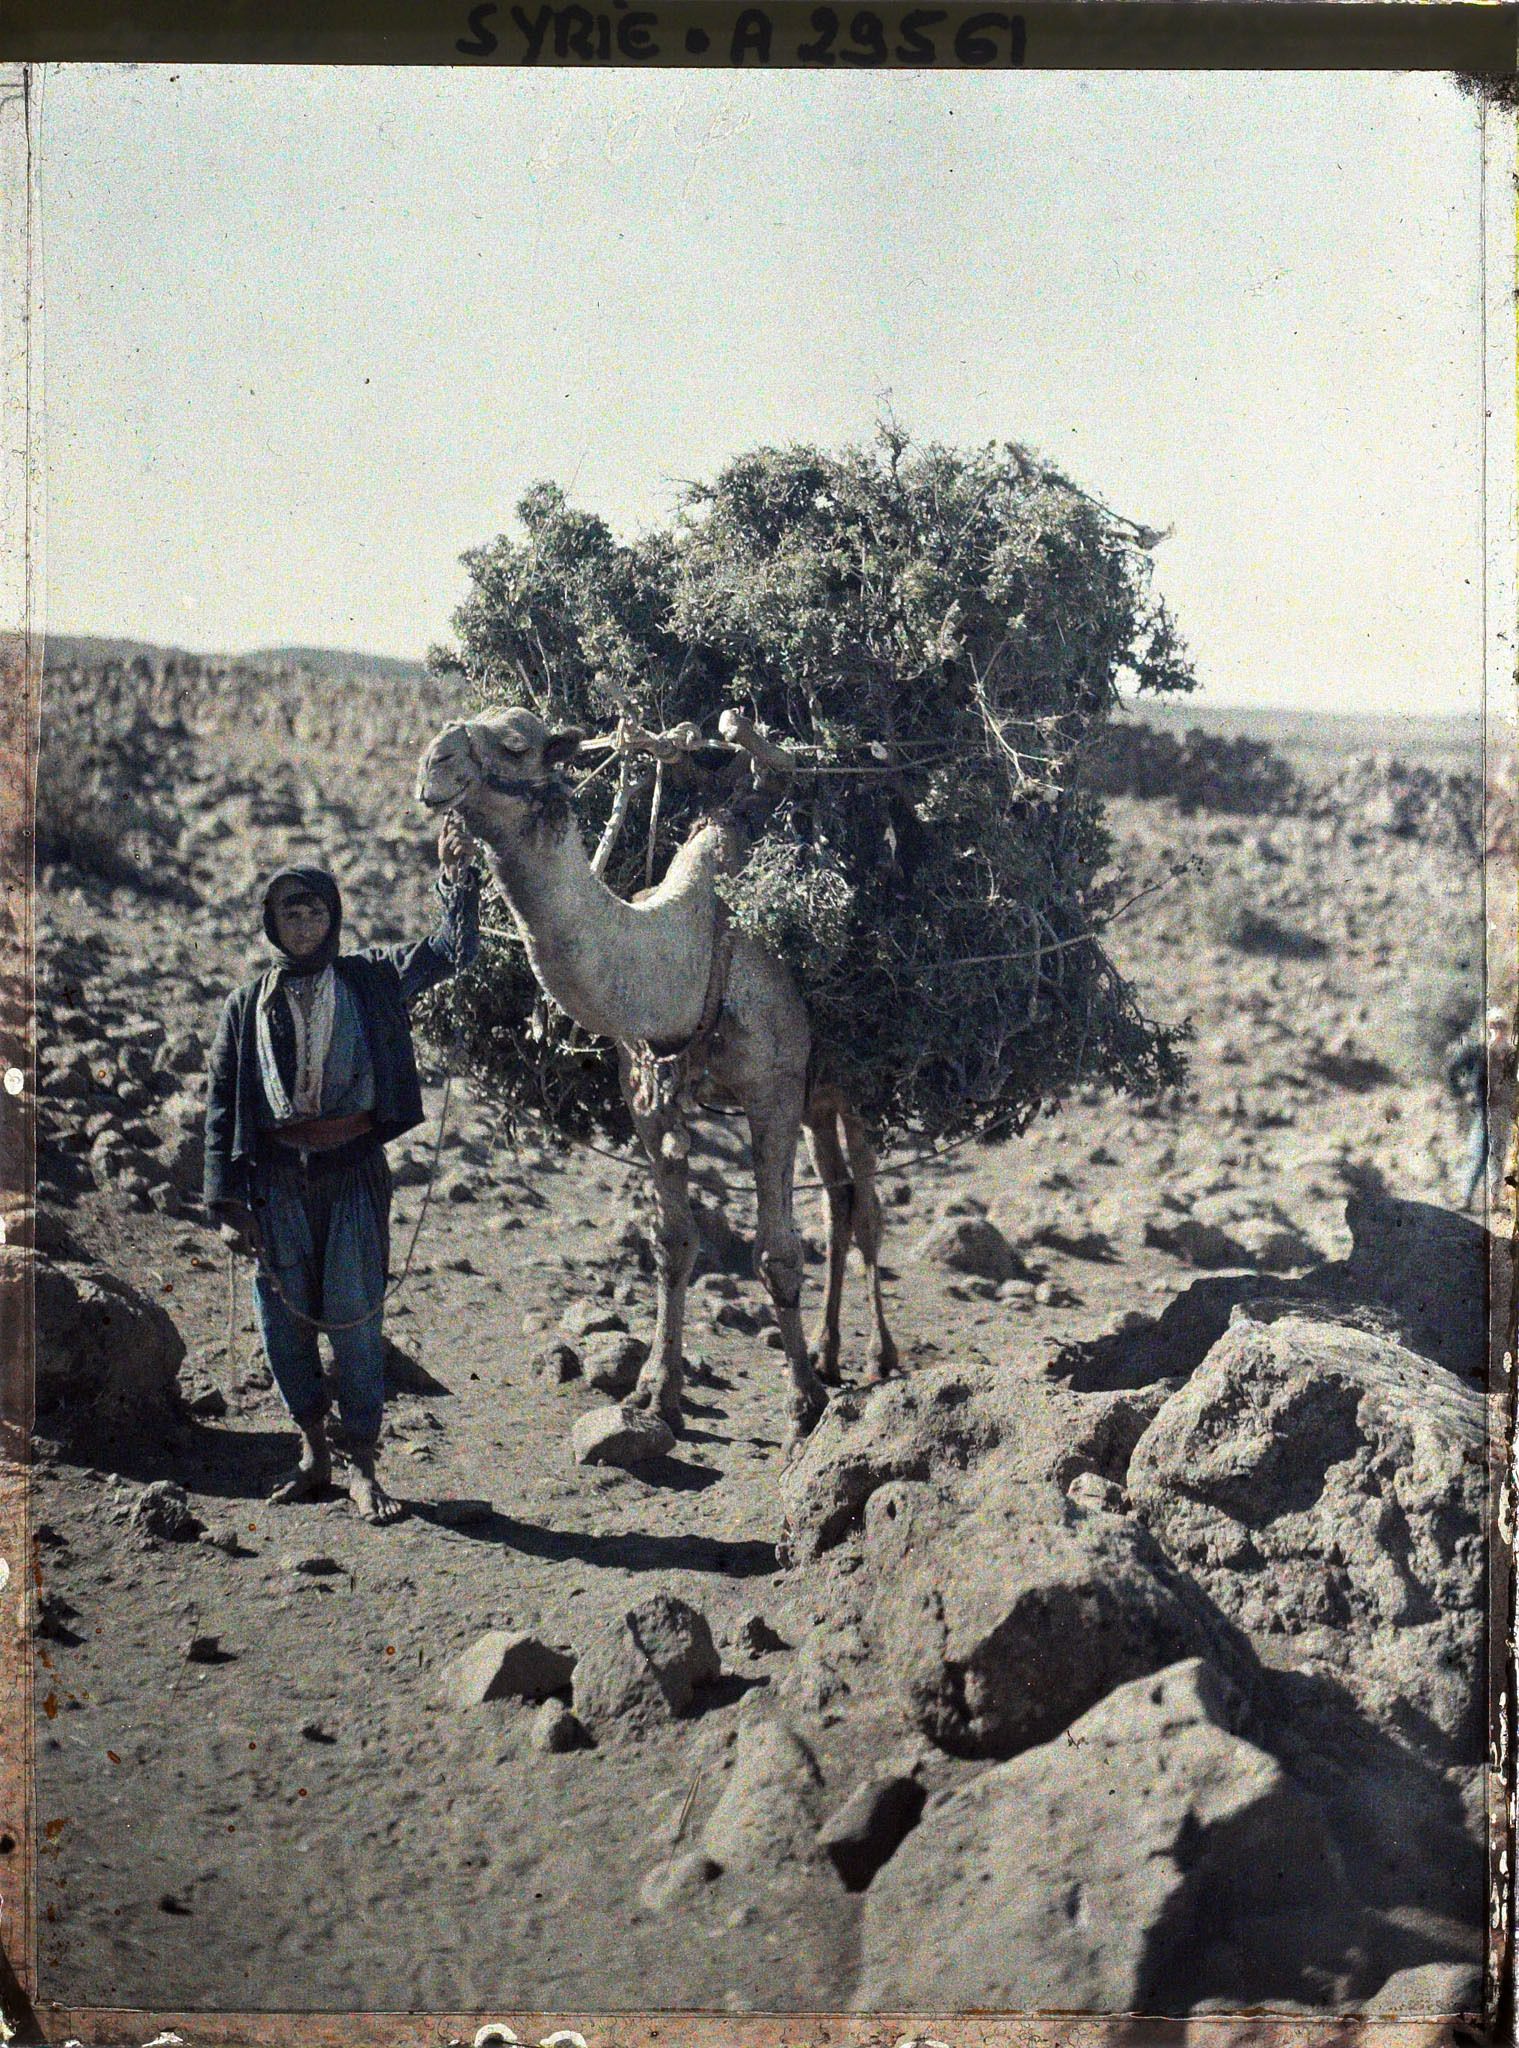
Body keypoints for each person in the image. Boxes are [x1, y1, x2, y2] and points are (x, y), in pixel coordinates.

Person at [203, 816, 480, 1522]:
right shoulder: (245, 1005)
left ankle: (362, 1465)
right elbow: (220, 1106)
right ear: (271, 922)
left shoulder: (371, 978)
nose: (304, 922)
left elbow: (453, 951)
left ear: (334, 917)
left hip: (353, 1173)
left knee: (356, 1318)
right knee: (282, 1323)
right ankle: (313, 1453)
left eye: (316, 908)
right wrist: (226, 1204)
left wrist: (454, 876)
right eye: (290, 911)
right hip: (272, 1182)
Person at [1449, 1004, 1515, 1213]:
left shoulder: (1511, 1053)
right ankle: (1466, 1198)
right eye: (1494, 1025)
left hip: (1502, 1110)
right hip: (1482, 1110)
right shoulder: (1477, 1051)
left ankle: (1494, 1201)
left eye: (1501, 1026)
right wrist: (1461, 1092)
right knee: (1478, 1154)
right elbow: (1452, 1068)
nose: (1497, 1030)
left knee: (1498, 1154)